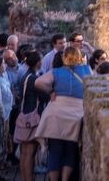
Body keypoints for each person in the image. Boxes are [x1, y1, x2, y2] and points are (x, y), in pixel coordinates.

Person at [34, 47, 91, 181]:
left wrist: (50, 91)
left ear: (64, 58)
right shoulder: (86, 69)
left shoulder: (56, 72)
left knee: (55, 152)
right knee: (71, 151)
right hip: (76, 115)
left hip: (56, 114)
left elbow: (38, 82)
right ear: (79, 57)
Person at [16, 51, 49, 181]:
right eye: (41, 60)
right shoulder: (34, 79)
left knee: (24, 153)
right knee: (30, 153)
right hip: (33, 118)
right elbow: (44, 96)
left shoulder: (26, 76)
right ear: (38, 63)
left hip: (24, 115)